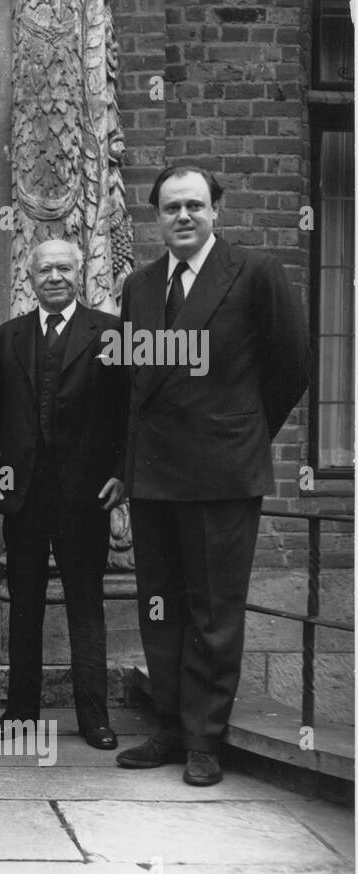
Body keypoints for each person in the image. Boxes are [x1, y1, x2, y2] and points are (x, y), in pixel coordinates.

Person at [116, 166, 309, 786]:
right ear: (157, 218)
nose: (182, 217)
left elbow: (290, 368)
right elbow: (136, 385)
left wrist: (242, 433)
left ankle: (205, 738)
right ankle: (170, 726)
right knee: (160, 605)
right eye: (170, 208)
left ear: (216, 211)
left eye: (194, 206)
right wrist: (126, 467)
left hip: (221, 473)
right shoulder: (139, 286)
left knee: (213, 610)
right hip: (154, 475)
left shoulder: (255, 275)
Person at [0, 239, 126, 750]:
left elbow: (131, 410)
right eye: (45, 269)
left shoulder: (110, 333)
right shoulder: (7, 337)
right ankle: (20, 714)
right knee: (25, 604)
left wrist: (124, 473)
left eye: (64, 267)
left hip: (86, 496)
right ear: (29, 275)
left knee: (87, 606)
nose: (55, 276)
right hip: (23, 496)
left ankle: (95, 719)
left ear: (79, 273)